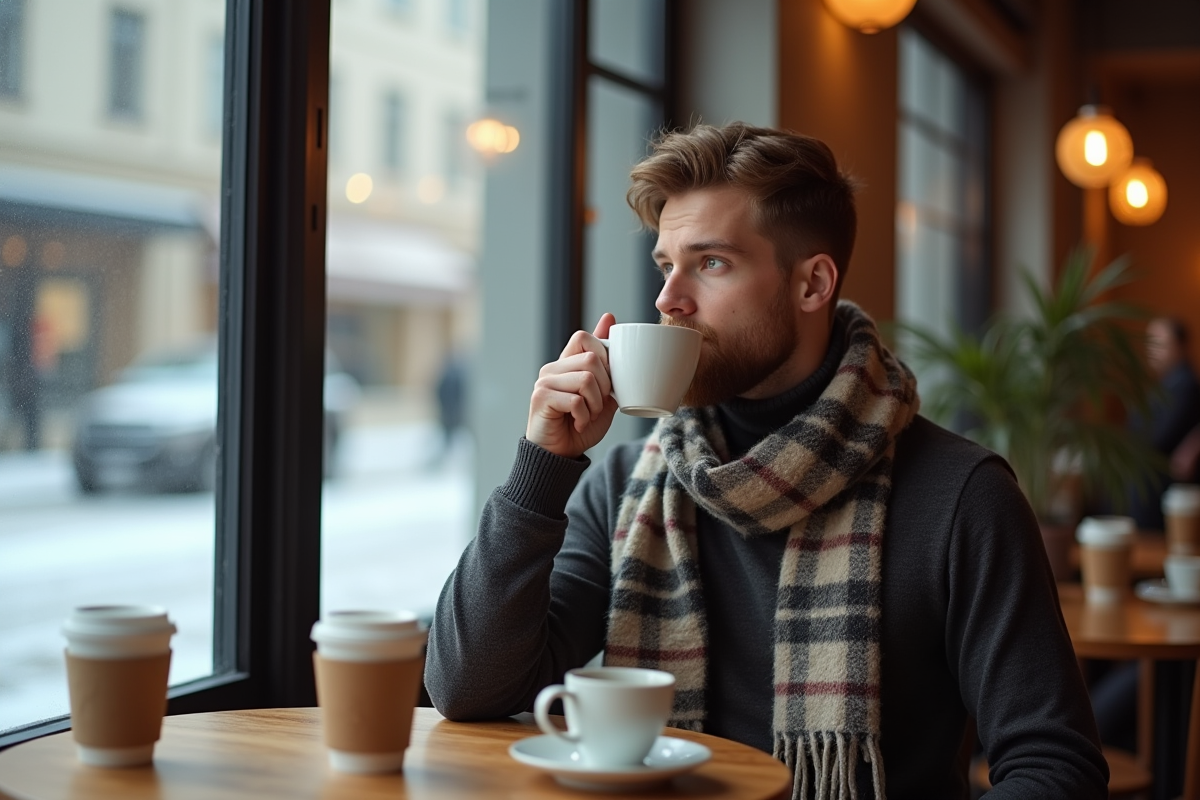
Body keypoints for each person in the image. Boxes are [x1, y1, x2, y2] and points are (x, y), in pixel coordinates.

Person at [425, 123, 1107, 799]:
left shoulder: (961, 495)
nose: (668, 299)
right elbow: (469, 686)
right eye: (666, 265)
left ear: (812, 284)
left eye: (711, 262)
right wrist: (542, 465)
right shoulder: (627, 484)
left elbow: (1055, 767)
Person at [1127, 316, 1200, 530]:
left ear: (1180, 346)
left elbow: (1158, 439)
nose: (1152, 348)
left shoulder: (1185, 385)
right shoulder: (1167, 383)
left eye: (1159, 341)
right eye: (1149, 340)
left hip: (1166, 483)